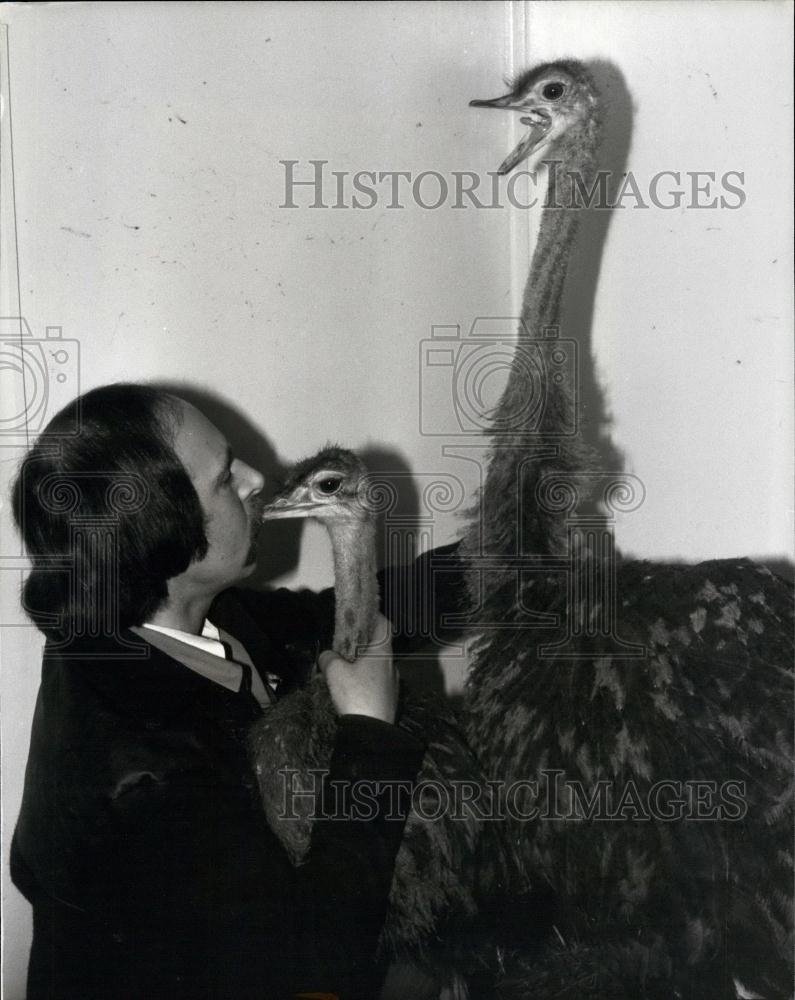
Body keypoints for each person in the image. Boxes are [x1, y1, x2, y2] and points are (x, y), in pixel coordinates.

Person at [10, 383, 464, 1000]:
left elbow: (332, 618)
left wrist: (503, 564)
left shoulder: (171, 620)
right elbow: (312, 961)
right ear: (160, 529)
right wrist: (369, 732)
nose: (256, 478)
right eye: (225, 478)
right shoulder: (142, 768)